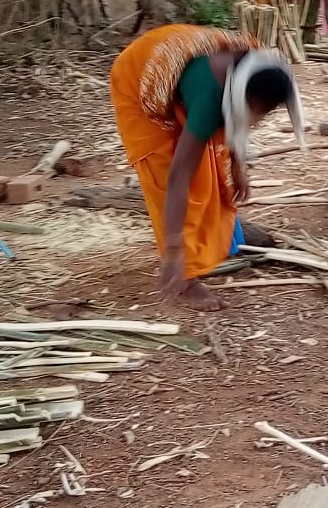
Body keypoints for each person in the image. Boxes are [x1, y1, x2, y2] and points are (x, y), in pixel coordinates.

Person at [109, 25, 306, 311]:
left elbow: (239, 116)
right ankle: (185, 278)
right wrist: (173, 253)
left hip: (183, 70)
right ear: (237, 96)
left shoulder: (257, 66)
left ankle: (219, 243)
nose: (257, 121)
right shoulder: (210, 100)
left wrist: (239, 167)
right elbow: (178, 178)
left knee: (210, 164)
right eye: (255, 112)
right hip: (137, 77)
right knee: (169, 175)